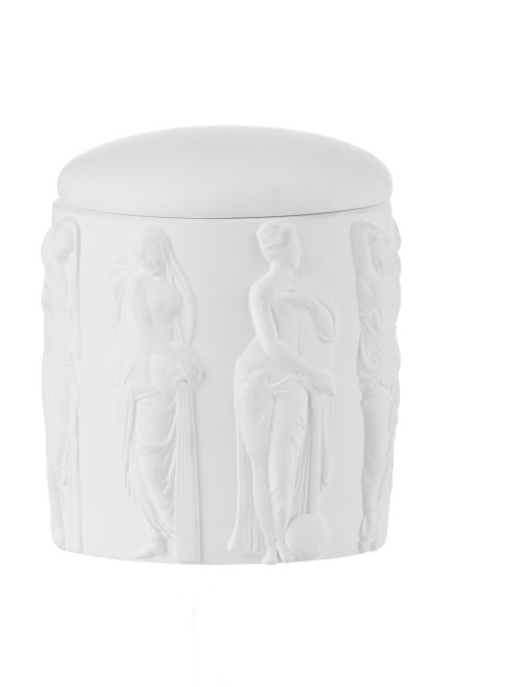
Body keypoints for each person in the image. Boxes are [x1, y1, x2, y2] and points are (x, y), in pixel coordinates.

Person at [228, 222, 337, 564]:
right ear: (286, 248)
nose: (301, 250)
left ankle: (283, 541)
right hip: (257, 378)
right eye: (297, 244)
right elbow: (270, 344)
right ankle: (271, 544)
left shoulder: (307, 288)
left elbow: (329, 332)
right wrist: (314, 374)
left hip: (292, 381)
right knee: (261, 464)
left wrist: (312, 305)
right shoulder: (260, 290)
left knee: (283, 459)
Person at [111, 226, 203, 561]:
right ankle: (159, 534)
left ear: (161, 248)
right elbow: (144, 329)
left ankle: (176, 533)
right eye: (140, 256)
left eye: (148, 252)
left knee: (157, 452)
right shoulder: (139, 283)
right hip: (145, 365)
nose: (146, 261)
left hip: (164, 370)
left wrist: (180, 358)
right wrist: (176, 357)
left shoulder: (177, 283)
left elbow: (180, 327)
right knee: (141, 455)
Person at [350, 220, 401, 553]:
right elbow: (357, 235)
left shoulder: (387, 287)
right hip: (374, 382)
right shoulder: (371, 285)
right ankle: (368, 523)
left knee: (380, 457)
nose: (381, 251)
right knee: (374, 455)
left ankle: (372, 523)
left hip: (385, 376)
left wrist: (383, 234)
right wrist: (376, 229)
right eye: (378, 247)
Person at [41, 218, 82, 552]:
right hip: (60, 367)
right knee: (59, 438)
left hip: (70, 369)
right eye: (62, 252)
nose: (64, 256)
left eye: (67, 252)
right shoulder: (57, 284)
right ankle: (64, 519)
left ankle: (67, 518)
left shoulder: (66, 285)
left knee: (64, 436)